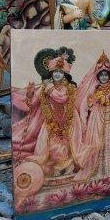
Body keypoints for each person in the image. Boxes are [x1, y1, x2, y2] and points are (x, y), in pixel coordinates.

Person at [11, 47, 83, 178]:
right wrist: (30, 93)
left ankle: (67, 166)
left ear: (64, 74)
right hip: (50, 122)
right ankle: (54, 167)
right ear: (50, 73)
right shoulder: (45, 87)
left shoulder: (69, 87)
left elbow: (61, 98)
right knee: (47, 145)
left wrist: (48, 87)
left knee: (67, 144)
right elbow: (31, 103)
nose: (57, 74)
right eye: (54, 72)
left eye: (60, 72)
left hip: (69, 120)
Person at [73, 51, 110, 182]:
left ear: (109, 76)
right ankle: (98, 171)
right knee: (97, 142)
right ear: (97, 77)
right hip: (97, 119)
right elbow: (85, 106)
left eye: (105, 75)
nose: (103, 77)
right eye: (101, 75)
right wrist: (84, 121)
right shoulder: (94, 89)